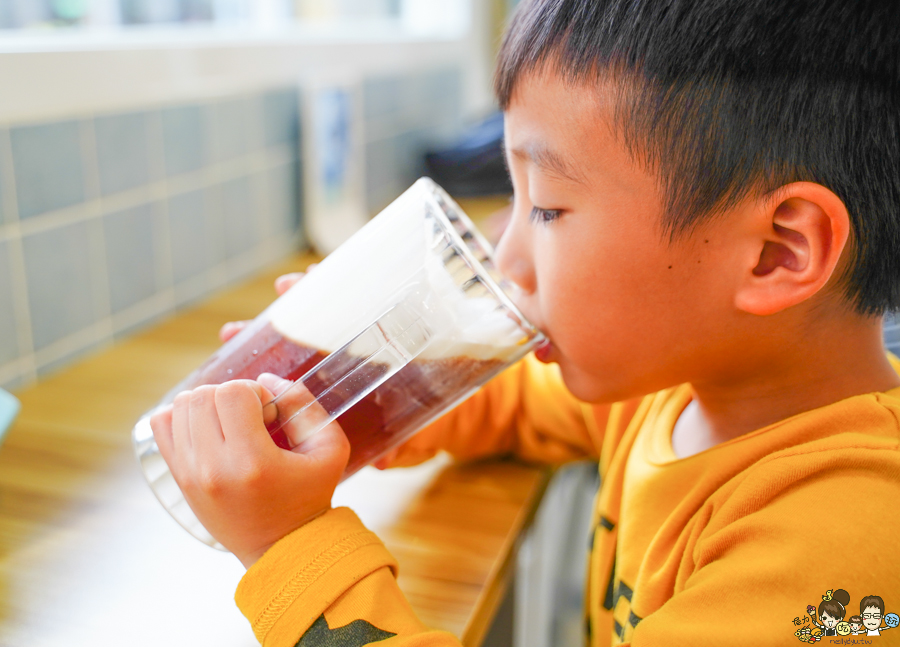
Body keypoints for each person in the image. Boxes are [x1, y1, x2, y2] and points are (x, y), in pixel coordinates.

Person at [150, 0, 900, 644]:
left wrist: (291, 545)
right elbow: (520, 405)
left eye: (547, 207)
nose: (507, 255)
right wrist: (384, 392)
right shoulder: (685, 393)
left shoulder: (841, 545)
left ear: (777, 251)